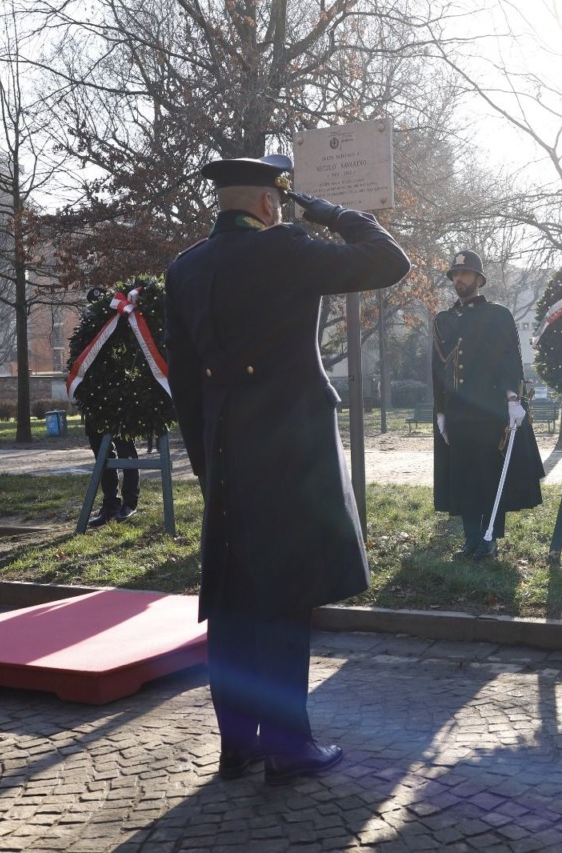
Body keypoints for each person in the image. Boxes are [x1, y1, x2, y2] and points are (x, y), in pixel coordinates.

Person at [164, 154, 409, 786]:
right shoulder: (287, 248)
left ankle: (236, 745)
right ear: (270, 203)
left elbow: (185, 384)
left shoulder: (185, 268)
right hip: (290, 450)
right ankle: (287, 747)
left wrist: (208, 463)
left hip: (225, 452)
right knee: (282, 597)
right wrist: (332, 212)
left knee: (232, 599)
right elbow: (389, 260)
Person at [432, 249, 544, 560]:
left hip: (491, 411)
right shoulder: (443, 320)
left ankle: (489, 538)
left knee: (490, 476)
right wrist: (440, 412)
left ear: (479, 279)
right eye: (455, 274)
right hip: (458, 413)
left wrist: (513, 400)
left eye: (465, 273)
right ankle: (471, 540)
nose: (459, 278)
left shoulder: (497, 315)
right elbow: (437, 369)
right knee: (464, 477)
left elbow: (509, 361)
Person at [77, 285, 142, 528]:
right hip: (96, 400)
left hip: (120, 399)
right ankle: (110, 503)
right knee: (102, 454)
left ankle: (130, 502)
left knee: (126, 450)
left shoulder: (124, 328)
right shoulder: (88, 334)